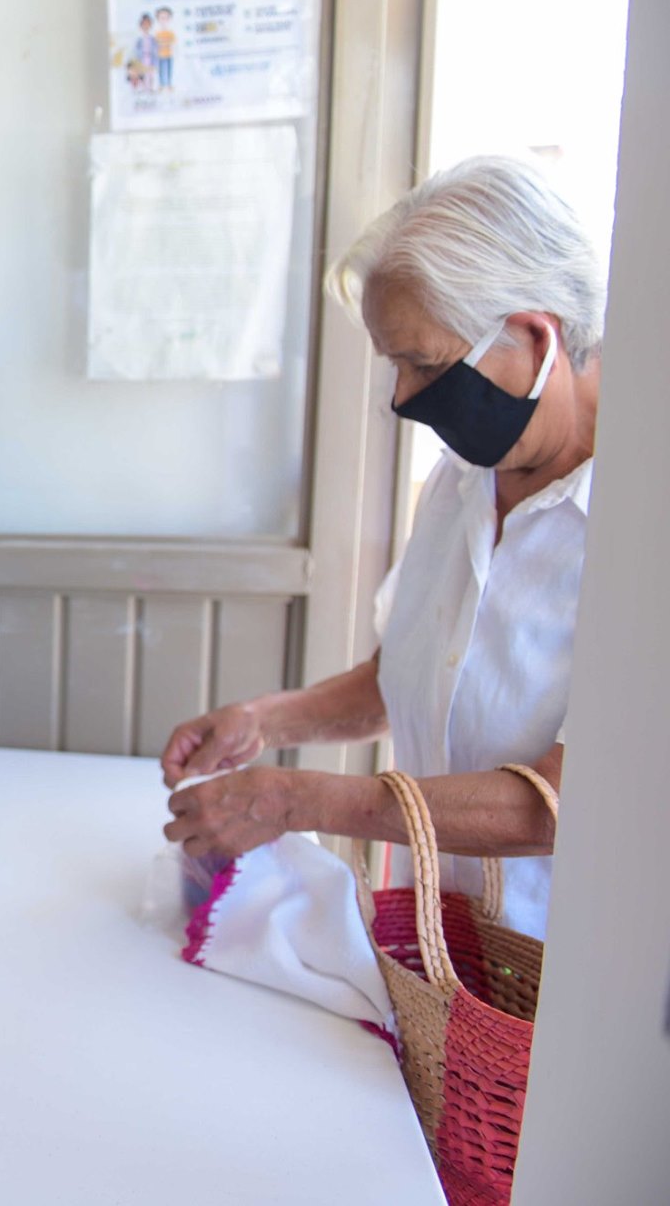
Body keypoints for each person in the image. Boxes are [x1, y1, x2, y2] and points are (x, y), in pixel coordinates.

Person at [162, 156, 604, 940]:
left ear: (535, 338)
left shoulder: (633, 534)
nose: (403, 397)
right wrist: (265, 721)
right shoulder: (464, 479)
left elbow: (561, 802)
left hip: (561, 983)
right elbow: (406, 672)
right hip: (446, 951)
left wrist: (295, 801)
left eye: (424, 363)